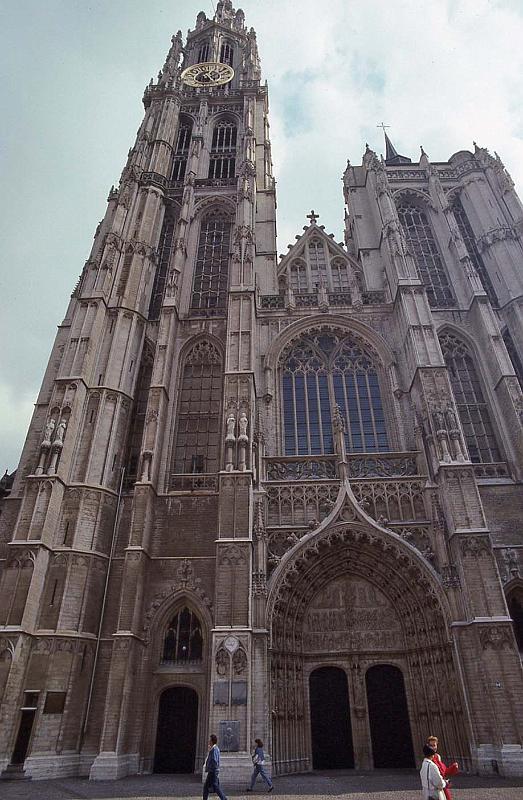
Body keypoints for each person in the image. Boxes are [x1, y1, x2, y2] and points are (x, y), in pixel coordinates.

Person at [426, 735, 459, 800]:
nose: (433, 747)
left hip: (443, 786)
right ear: (428, 746)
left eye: (434, 745)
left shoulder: (438, 756)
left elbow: (444, 772)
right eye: (431, 745)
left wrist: (453, 767)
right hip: (436, 788)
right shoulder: (427, 759)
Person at [203, 734, 227, 800]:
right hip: (213, 770)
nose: (208, 741)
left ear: (212, 741)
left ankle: (224, 798)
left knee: (214, 786)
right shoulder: (213, 749)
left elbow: (214, 760)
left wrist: (212, 768)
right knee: (208, 786)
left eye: (209, 740)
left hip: (213, 770)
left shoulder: (214, 749)